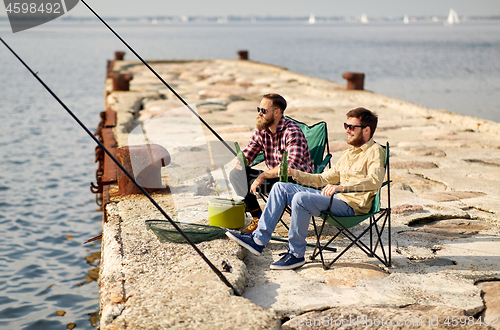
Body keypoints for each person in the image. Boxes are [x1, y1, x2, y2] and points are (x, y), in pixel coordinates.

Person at [226, 107, 386, 270]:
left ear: (366, 130)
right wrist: (295, 173)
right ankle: (258, 240)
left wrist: (341, 187)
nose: (347, 130)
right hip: (332, 198)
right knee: (281, 187)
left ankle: (296, 254)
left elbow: (374, 181)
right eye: (346, 126)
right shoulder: (347, 154)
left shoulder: (375, 151)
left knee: (300, 199)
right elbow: (322, 179)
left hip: (351, 206)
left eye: (352, 127)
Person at [230, 93, 314, 233]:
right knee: (236, 174)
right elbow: (249, 153)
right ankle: (257, 217)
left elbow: (290, 166)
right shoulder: (262, 129)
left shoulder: (292, 132)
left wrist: (262, 176)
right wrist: (241, 159)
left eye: (263, 111)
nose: (259, 113)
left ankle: (263, 227)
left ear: (277, 112)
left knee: (276, 181)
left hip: (296, 183)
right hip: (274, 180)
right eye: (259, 109)